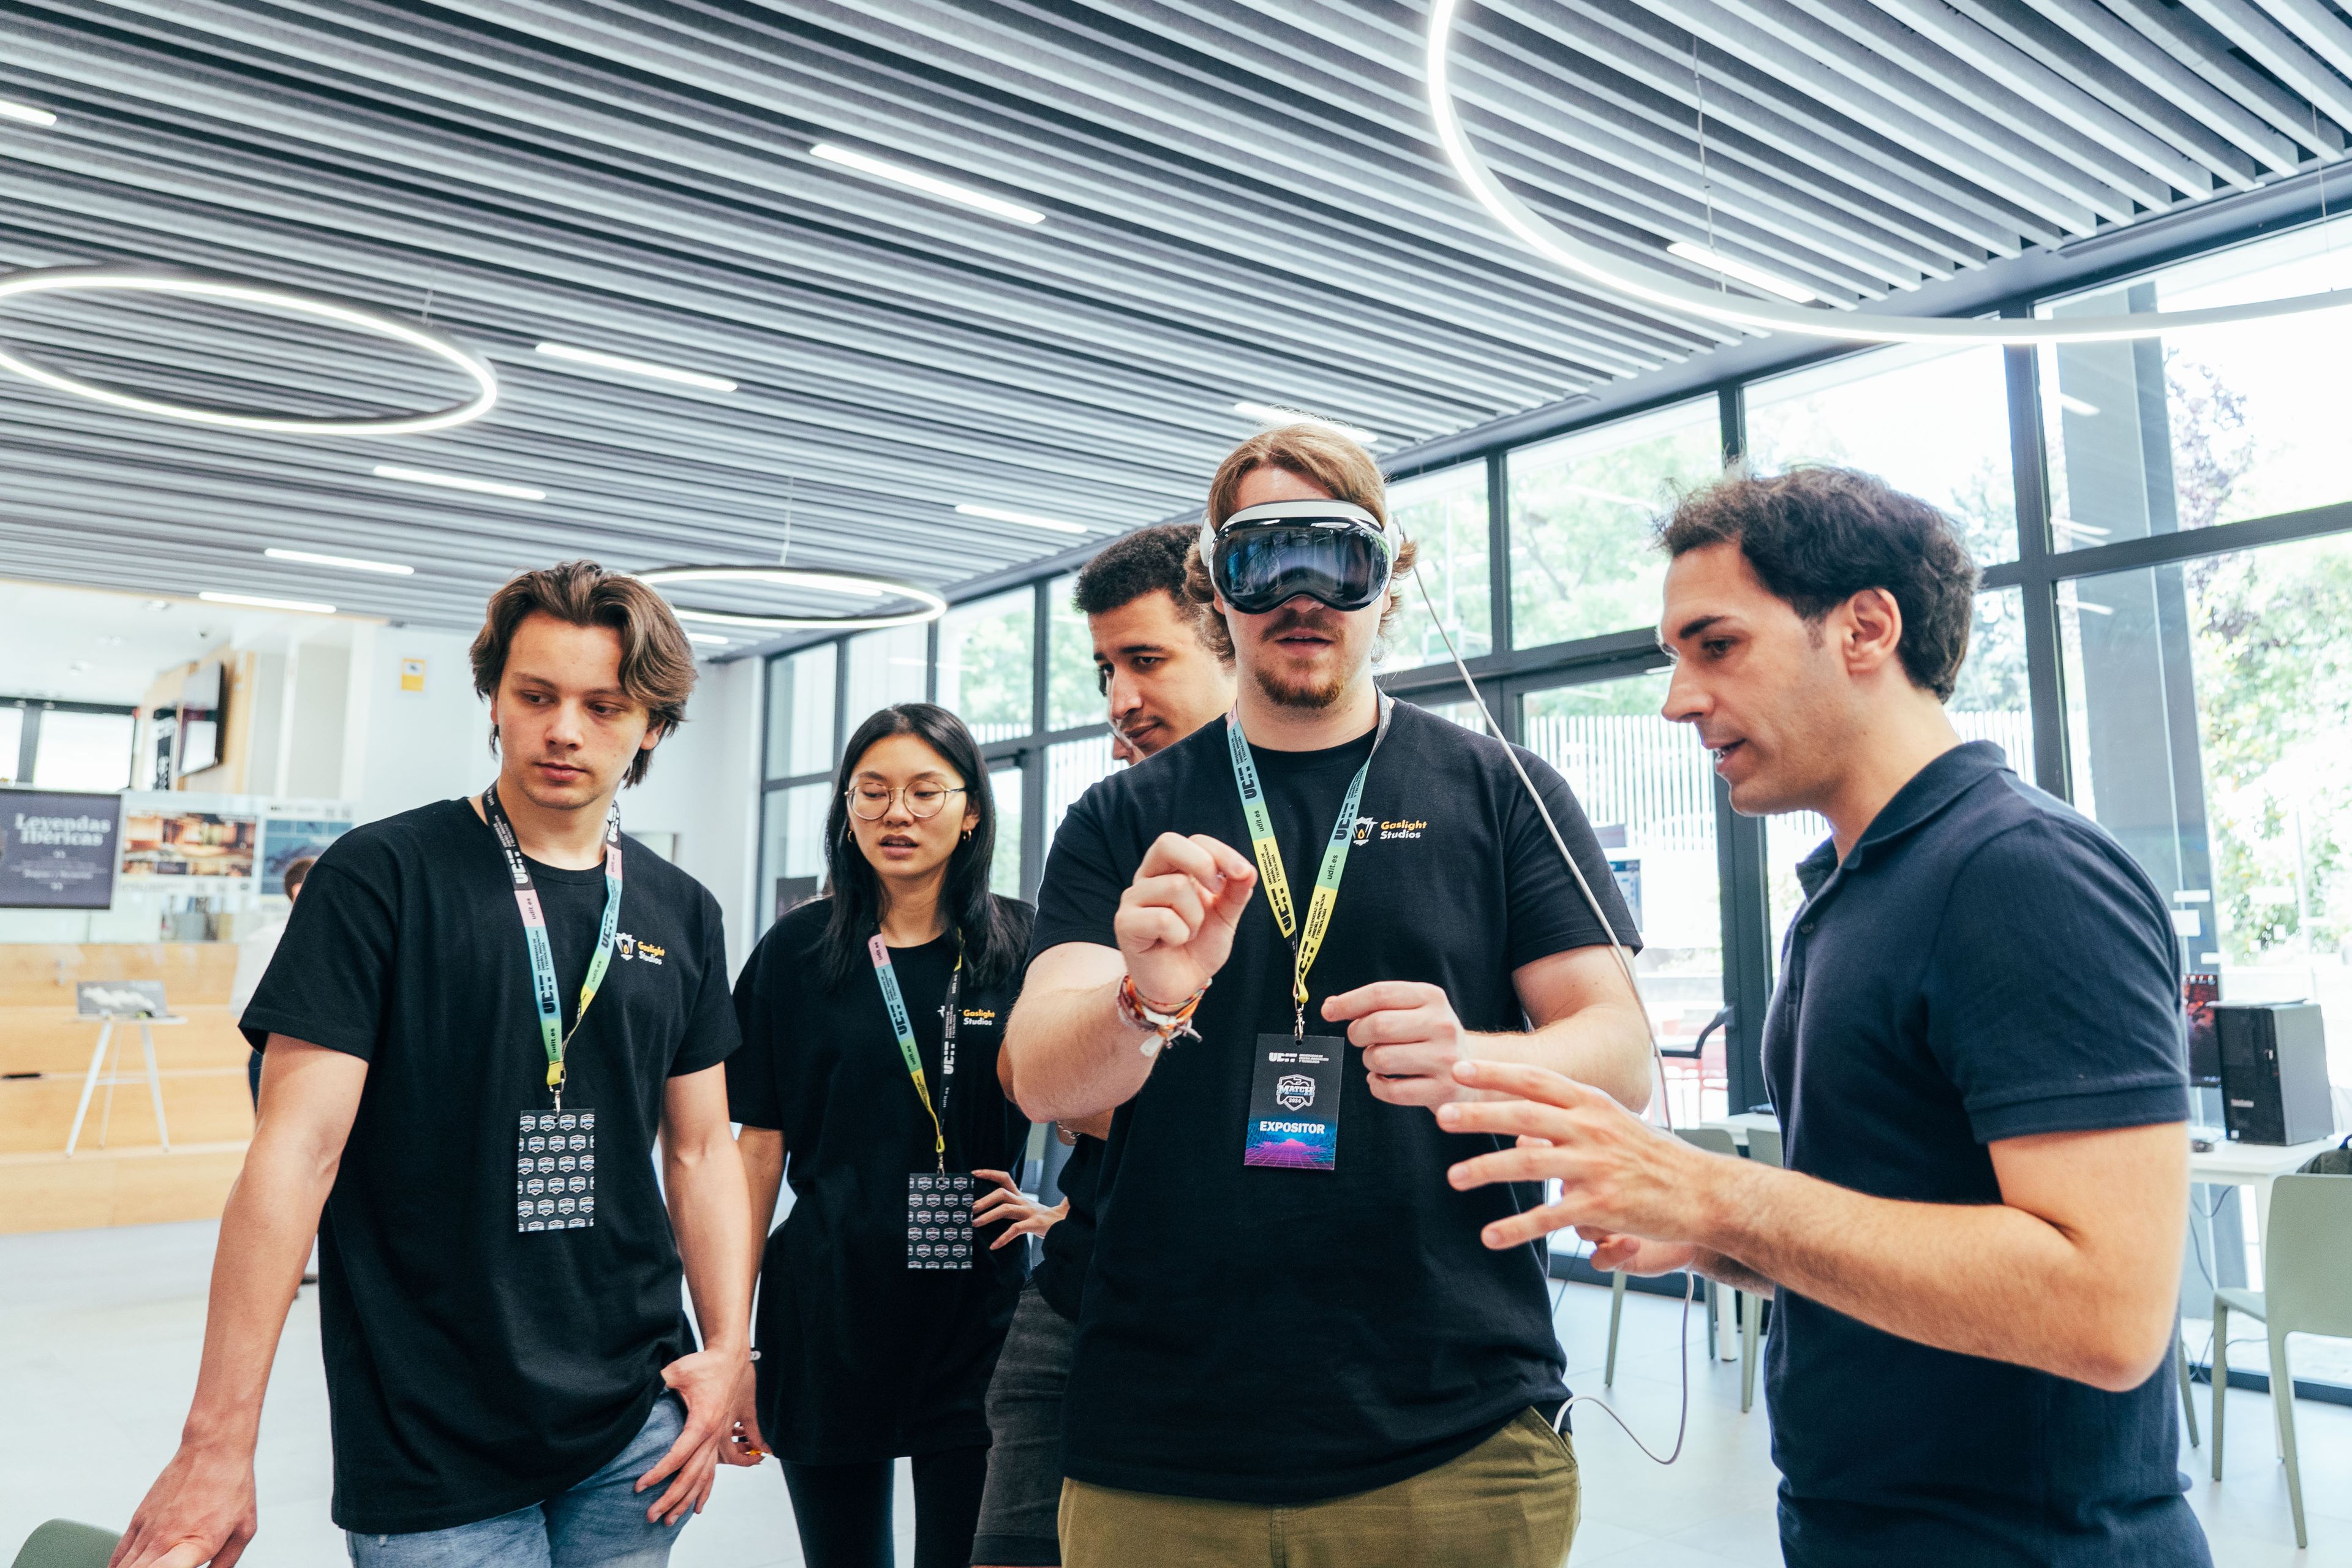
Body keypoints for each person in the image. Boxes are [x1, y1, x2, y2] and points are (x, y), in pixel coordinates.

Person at [1438, 466, 2208, 1568]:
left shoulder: (2018, 874)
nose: (1678, 700)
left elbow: (2106, 1310)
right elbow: (1898, 1221)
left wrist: (1715, 1188)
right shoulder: (1855, 891)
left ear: (1864, 629)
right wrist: (1714, 1238)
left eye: (1716, 646)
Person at [1003, 424, 1653, 1568]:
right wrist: (1142, 1006)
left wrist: (1480, 1061)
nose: (1302, 596)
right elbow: (1041, 1077)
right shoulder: (1119, 820)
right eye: (1264, 559)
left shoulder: (1497, 789)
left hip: (1454, 1428)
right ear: (1215, 588)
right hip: (1164, 1437)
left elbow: (1620, 1052)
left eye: (1337, 557)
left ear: (1390, 573)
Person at [111, 562, 759, 1568]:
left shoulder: (683, 911)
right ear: (495, 699)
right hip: (429, 1429)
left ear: (653, 728)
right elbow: (295, 1156)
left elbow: (705, 1151)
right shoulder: (381, 879)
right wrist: (215, 1443)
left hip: (636, 1418)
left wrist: (727, 1354)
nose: (564, 731)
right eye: (536, 696)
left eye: (604, 705)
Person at [970, 524, 1237, 1568]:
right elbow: (1051, 1086)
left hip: (1268, 1326)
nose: (1120, 696)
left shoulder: (1338, 824)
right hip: (1087, 1288)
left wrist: (1127, 1070)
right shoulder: (1106, 825)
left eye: (1147, 659)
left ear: (1230, 638)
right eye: (1107, 669)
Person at [728, 703, 1036, 1568]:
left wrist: (1059, 1211)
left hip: (979, 1315)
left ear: (971, 808)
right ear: (847, 808)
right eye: (873, 793)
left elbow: (1100, 1097)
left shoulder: (1023, 945)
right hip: (829, 1313)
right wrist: (730, 1340)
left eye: (925, 791)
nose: (897, 814)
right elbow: (756, 1153)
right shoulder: (795, 954)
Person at [232, 855, 313, 1109]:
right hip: (277, 1055)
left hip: (319, 1058)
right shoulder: (267, 939)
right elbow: (241, 1003)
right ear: (298, 891)